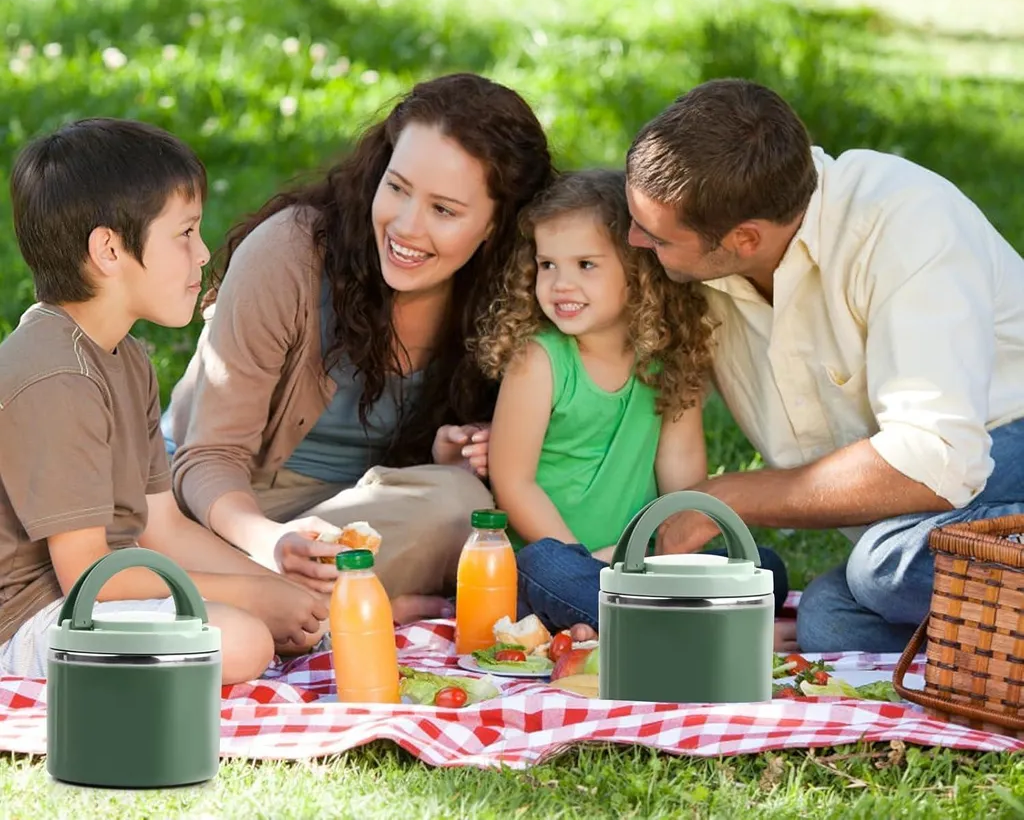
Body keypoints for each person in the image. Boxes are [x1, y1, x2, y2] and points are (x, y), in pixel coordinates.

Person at [624, 78, 1024, 653]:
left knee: (883, 568)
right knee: (833, 620)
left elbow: (938, 459)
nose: (633, 239)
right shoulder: (709, 247)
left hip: (1002, 445)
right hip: (925, 516)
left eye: (657, 237)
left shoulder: (905, 221)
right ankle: (989, 650)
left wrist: (729, 497)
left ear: (744, 238)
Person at [164, 73, 555, 618]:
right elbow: (206, 457)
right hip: (227, 508)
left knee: (462, 503)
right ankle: (347, 606)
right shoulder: (289, 256)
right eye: (396, 188)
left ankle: (287, 607)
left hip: (362, 521)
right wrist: (270, 544)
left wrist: (460, 452)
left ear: (497, 224)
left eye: (444, 210)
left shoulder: (516, 296)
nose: (406, 227)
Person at [0, 119, 329, 683]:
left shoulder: (125, 359)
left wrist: (273, 586)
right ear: (108, 249)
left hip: (99, 598)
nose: (203, 254)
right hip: (31, 622)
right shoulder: (56, 377)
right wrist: (253, 598)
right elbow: (87, 577)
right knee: (241, 638)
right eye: (185, 233)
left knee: (265, 618)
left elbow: (163, 527)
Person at [474, 169, 790, 638]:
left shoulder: (668, 360)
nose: (560, 283)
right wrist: (584, 560)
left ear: (638, 273)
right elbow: (513, 483)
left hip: (639, 565)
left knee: (765, 567)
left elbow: (683, 488)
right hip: (556, 564)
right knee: (545, 568)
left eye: (585, 265)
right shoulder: (538, 360)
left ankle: (637, 624)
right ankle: (687, 631)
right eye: (547, 265)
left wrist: (671, 559)